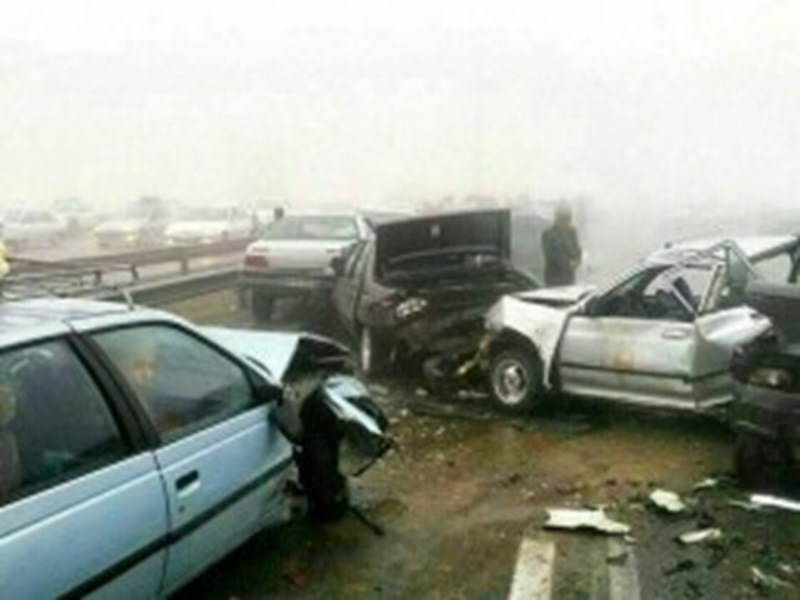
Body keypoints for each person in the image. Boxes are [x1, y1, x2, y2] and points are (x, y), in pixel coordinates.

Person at [542, 203, 582, 286]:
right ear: (557, 218)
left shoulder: (572, 232)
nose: (566, 222)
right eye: (563, 219)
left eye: (567, 219)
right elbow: (551, 255)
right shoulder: (548, 234)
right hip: (554, 278)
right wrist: (568, 263)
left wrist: (578, 260)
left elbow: (577, 248)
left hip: (569, 278)